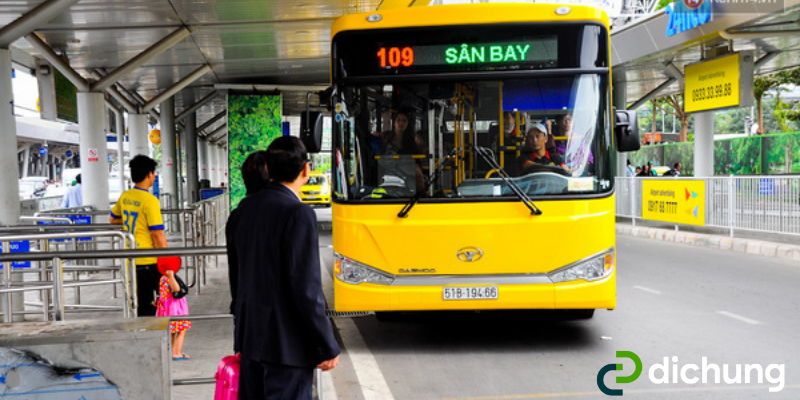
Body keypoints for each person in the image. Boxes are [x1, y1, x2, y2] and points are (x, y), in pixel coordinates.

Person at [226, 137, 340, 400]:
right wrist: (326, 345)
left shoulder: (241, 211)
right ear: (305, 170)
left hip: (250, 342)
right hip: (286, 347)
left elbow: (237, 279)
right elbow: (306, 288)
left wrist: (240, 337)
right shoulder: (297, 213)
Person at [110, 155, 166, 317]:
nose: (154, 176)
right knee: (161, 300)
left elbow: (113, 219)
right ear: (149, 174)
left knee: (140, 300)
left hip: (131, 257)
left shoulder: (126, 196)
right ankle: (152, 336)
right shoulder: (150, 200)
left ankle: (142, 331)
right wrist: (166, 259)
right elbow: (158, 233)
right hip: (149, 259)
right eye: (154, 173)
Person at [155, 256, 192, 361]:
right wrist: (171, 276)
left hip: (166, 309)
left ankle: (171, 351)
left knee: (172, 332)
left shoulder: (162, 278)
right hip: (175, 309)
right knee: (181, 330)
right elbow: (176, 289)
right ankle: (177, 353)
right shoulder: (168, 278)